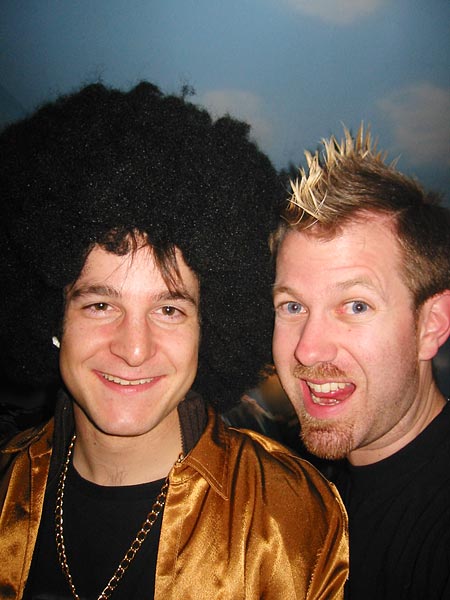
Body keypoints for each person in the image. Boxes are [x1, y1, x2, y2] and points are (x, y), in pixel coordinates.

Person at [0, 82, 348, 600]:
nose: (134, 349)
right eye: (100, 305)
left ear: (211, 327)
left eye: (168, 310)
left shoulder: (290, 518)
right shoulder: (4, 483)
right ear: (52, 318)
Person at [271, 125, 450, 600]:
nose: (308, 350)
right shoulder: (304, 496)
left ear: (431, 325)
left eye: (355, 305)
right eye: (293, 306)